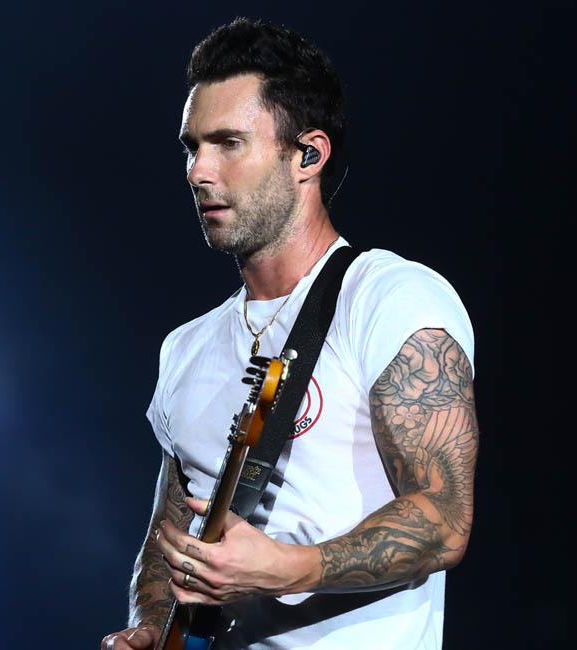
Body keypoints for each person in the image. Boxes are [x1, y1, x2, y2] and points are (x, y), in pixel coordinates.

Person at [102, 17, 479, 650]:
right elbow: (169, 540)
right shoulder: (184, 348)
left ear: (308, 155)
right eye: (192, 148)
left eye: (228, 143)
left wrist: (287, 568)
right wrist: (149, 628)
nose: (198, 171)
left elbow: (445, 520)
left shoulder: (389, 298)